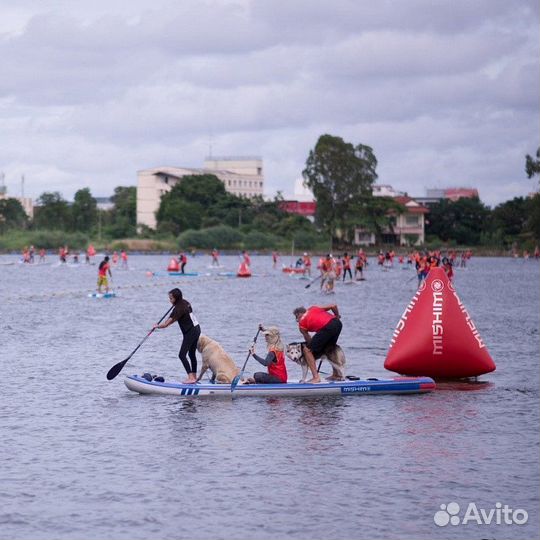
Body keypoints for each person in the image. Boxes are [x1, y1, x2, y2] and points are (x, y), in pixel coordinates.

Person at [153, 288, 201, 384]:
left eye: (171, 298)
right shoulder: (185, 303)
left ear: (176, 298)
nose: (169, 300)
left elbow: (166, 324)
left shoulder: (178, 309)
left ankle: (191, 377)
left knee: (182, 355)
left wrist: (157, 326)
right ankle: (194, 377)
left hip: (190, 332)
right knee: (191, 354)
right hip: (197, 329)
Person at [293, 304, 342, 384]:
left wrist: (314, 351)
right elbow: (333, 306)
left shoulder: (301, 324)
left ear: (299, 315)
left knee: (307, 350)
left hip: (327, 328)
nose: (297, 320)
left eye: (296, 318)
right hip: (337, 324)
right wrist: (337, 316)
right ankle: (336, 375)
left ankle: (316, 377)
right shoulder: (313, 308)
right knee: (329, 349)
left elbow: (308, 340)